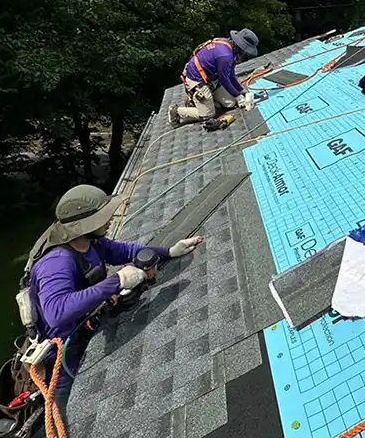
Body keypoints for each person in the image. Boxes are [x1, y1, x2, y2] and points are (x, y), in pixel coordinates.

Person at [25, 185, 202, 436]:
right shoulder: (57, 262)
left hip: (87, 323)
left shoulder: (91, 242)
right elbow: (56, 312)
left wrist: (169, 252)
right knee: (58, 410)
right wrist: (116, 281)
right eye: (104, 216)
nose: (111, 219)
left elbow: (126, 251)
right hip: (62, 347)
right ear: (85, 223)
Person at [168, 28, 260, 126]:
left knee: (231, 103)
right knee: (208, 114)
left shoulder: (230, 47)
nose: (246, 53)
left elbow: (231, 75)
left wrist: (241, 92)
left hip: (211, 79)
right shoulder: (225, 55)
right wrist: (238, 96)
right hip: (196, 80)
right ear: (241, 47)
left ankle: (208, 100)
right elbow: (225, 80)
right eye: (246, 51)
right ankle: (176, 111)